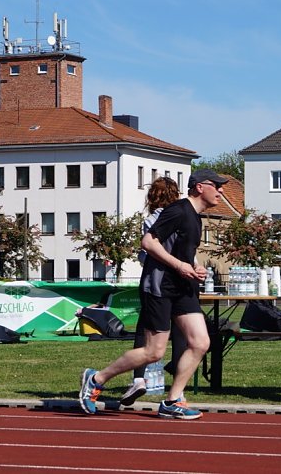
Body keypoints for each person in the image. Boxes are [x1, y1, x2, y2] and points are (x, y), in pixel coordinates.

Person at [79, 169, 228, 419]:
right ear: (200, 187)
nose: (221, 191)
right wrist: (179, 265)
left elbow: (183, 252)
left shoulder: (196, 217)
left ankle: (172, 401)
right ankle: (96, 379)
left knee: (201, 342)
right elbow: (148, 242)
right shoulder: (178, 210)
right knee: (154, 352)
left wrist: (193, 266)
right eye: (217, 186)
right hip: (160, 286)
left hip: (183, 287)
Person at [120, 176, 182, 406]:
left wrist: (143, 255)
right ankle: (178, 384)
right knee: (181, 332)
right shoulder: (183, 218)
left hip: (156, 281)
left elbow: (148, 251)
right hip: (181, 281)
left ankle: (138, 379)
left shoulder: (152, 220)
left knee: (144, 330)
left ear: (152, 197)